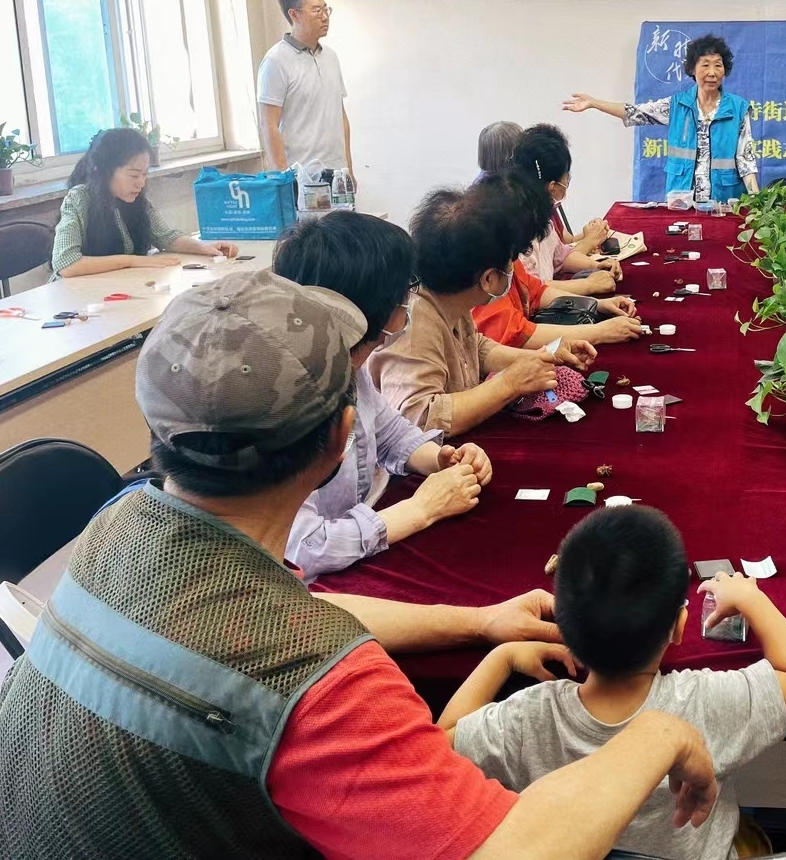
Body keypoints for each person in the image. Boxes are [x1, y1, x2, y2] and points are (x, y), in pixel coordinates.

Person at [0, 268, 720, 860]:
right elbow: (512, 850)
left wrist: (478, 622)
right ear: (341, 439)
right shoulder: (320, 684)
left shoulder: (118, 524)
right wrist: (659, 734)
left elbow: (292, 611)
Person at [442, 506, 786, 860]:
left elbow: (438, 750)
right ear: (678, 627)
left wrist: (502, 657)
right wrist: (751, 599)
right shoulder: (702, 701)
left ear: (562, 626)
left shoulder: (525, 718)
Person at [273, 211, 494, 579]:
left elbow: (390, 431)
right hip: (311, 585)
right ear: (372, 310)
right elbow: (302, 547)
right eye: (404, 292)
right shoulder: (287, 402)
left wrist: (440, 458)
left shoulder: (347, 365)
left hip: (354, 547)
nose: (410, 301)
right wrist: (420, 509)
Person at [369, 182, 599, 437]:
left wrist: (540, 357)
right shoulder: (411, 323)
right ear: (488, 279)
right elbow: (421, 418)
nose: (513, 272)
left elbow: (473, 347)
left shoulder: (451, 296)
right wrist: (509, 383)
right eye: (510, 266)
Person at [562, 33, 759, 204]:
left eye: (718, 65)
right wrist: (595, 103)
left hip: (723, 204)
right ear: (692, 69)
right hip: (683, 202)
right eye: (705, 65)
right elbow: (634, 112)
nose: (712, 73)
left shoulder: (738, 109)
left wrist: (757, 205)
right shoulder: (676, 105)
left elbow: (746, 161)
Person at [469, 171, 642, 350]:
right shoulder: (485, 280)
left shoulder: (501, 254)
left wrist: (597, 304)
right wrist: (600, 332)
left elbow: (536, 292)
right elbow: (520, 335)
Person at [51, 127, 236, 278]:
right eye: (133, 175)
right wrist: (131, 261)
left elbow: (167, 237)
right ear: (104, 171)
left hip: (117, 288)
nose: (141, 183)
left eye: (144, 174)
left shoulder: (136, 200)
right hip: (77, 298)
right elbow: (66, 264)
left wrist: (205, 248)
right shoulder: (79, 198)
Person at [257, 0, 353, 180]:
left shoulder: (331, 57)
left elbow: (340, 116)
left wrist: (349, 169)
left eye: (326, 10)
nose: (325, 17)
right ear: (294, 15)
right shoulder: (276, 61)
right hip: (302, 176)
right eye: (317, 11)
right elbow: (269, 125)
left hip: (337, 173)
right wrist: (284, 179)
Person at [511, 124, 623, 288]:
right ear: (552, 187)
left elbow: (560, 258)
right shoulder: (518, 225)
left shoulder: (540, 214)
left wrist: (598, 265)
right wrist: (588, 285)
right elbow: (531, 289)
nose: (567, 184)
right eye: (566, 179)